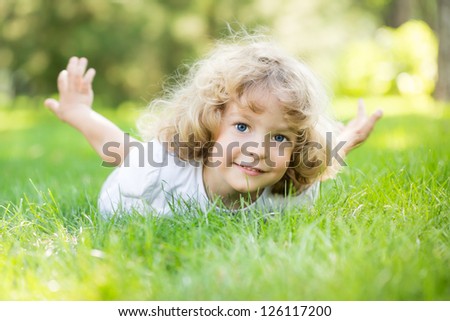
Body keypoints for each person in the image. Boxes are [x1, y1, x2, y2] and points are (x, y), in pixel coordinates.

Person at [44, 36, 382, 216]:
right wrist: (79, 113)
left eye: (279, 137)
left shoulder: (290, 194)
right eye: (241, 127)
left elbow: (318, 155)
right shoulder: (167, 169)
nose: (257, 149)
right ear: (212, 121)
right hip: (133, 207)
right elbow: (120, 149)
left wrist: (347, 137)